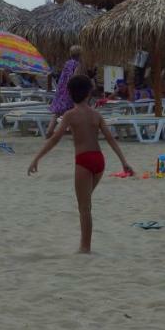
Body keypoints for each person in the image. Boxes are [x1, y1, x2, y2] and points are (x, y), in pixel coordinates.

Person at [28, 74, 133, 253]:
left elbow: (54, 139)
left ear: (70, 94)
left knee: (84, 208)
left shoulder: (70, 115)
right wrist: (124, 162)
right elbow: (111, 140)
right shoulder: (96, 115)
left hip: (83, 161)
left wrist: (37, 158)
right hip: (99, 160)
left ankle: (85, 247)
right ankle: (85, 245)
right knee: (86, 204)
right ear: (88, 93)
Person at [49, 45, 85, 125]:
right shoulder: (78, 64)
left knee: (57, 112)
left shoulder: (67, 63)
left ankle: (50, 130)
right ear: (80, 54)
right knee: (75, 110)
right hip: (70, 90)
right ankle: (75, 130)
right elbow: (75, 79)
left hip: (61, 89)